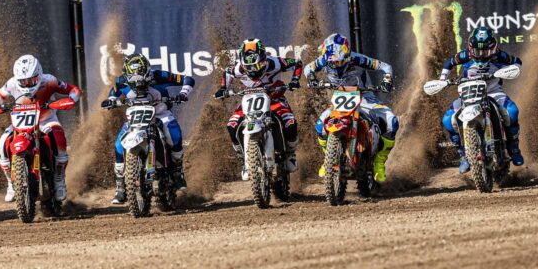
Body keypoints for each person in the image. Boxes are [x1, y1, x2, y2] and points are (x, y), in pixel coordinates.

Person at [303, 33, 397, 183]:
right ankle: (328, 159)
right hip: (340, 98)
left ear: (347, 55)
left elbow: (386, 67)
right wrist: (311, 78)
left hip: (365, 96)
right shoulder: (324, 60)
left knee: (391, 121)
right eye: (334, 63)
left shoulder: (357, 59)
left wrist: (387, 80)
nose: (337, 65)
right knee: (321, 124)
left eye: (341, 61)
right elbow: (308, 68)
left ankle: (379, 162)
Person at [103, 53, 194, 205]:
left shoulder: (159, 76)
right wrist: (111, 100)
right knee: (119, 145)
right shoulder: (122, 80)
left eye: (140, 74)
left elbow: (187, 79)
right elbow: (114, 91)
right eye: (133, 75)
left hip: (160, 114)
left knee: (175, 136)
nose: (137, 79)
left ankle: (177, 172)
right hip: (136, 117)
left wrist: (183, 94)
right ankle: (120, 186)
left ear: (147, 71)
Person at [0, 55, 81, 203]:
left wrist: (71, 99)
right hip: (21, 122)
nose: (27, 84)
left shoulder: (49, 80)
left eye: (31, 80)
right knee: (2, 143)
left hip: (46, 119)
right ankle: (11, 183)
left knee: (59, 141)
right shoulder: (12, 83)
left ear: (39, 74)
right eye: (23, 81)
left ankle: (59, 180)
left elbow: (73, 89)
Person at [439, 27, 524, 173]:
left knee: (512, 112)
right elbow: (449, 62)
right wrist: (443, 79)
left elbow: (517, 62)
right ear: (471, 48)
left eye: (485, 51)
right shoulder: (464, 55)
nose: (481, 54)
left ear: (493, 48)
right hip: (468, 94)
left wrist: (510, 70)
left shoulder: (499, 55)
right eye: (477, 51)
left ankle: (513, 148)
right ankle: (463, 155)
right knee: (448, 120)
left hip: (493, 92)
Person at [214, 39, 302, 180]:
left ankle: (290, 154)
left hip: (275, 99)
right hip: (249, 101)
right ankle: (244, 159)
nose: (253, 70)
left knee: (290, 123)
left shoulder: (274, 62)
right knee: (231, 125)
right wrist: (223, 88)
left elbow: (297, 63)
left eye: (257, 65)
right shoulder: (237, 68)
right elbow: (227, 72)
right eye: (248, 67)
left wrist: (295, 80)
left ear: (263, 59)